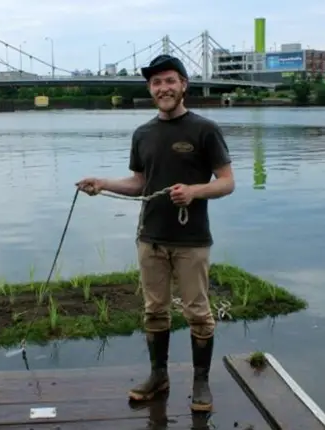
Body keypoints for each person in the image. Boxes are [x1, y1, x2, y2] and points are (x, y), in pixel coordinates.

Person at [75, 54, 235, 412]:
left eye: (169, 81)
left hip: (192, 240)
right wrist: (103, 183)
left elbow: (227, 182)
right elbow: (138, 184)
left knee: (197, 312)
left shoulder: (205, 129)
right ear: (151, 89)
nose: (163, 88)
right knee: (154, 311)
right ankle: (158, 376)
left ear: (183, 85)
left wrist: (194, 191)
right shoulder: (142, 133)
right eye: (156, 83)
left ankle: (200, 381)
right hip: (150, 237)